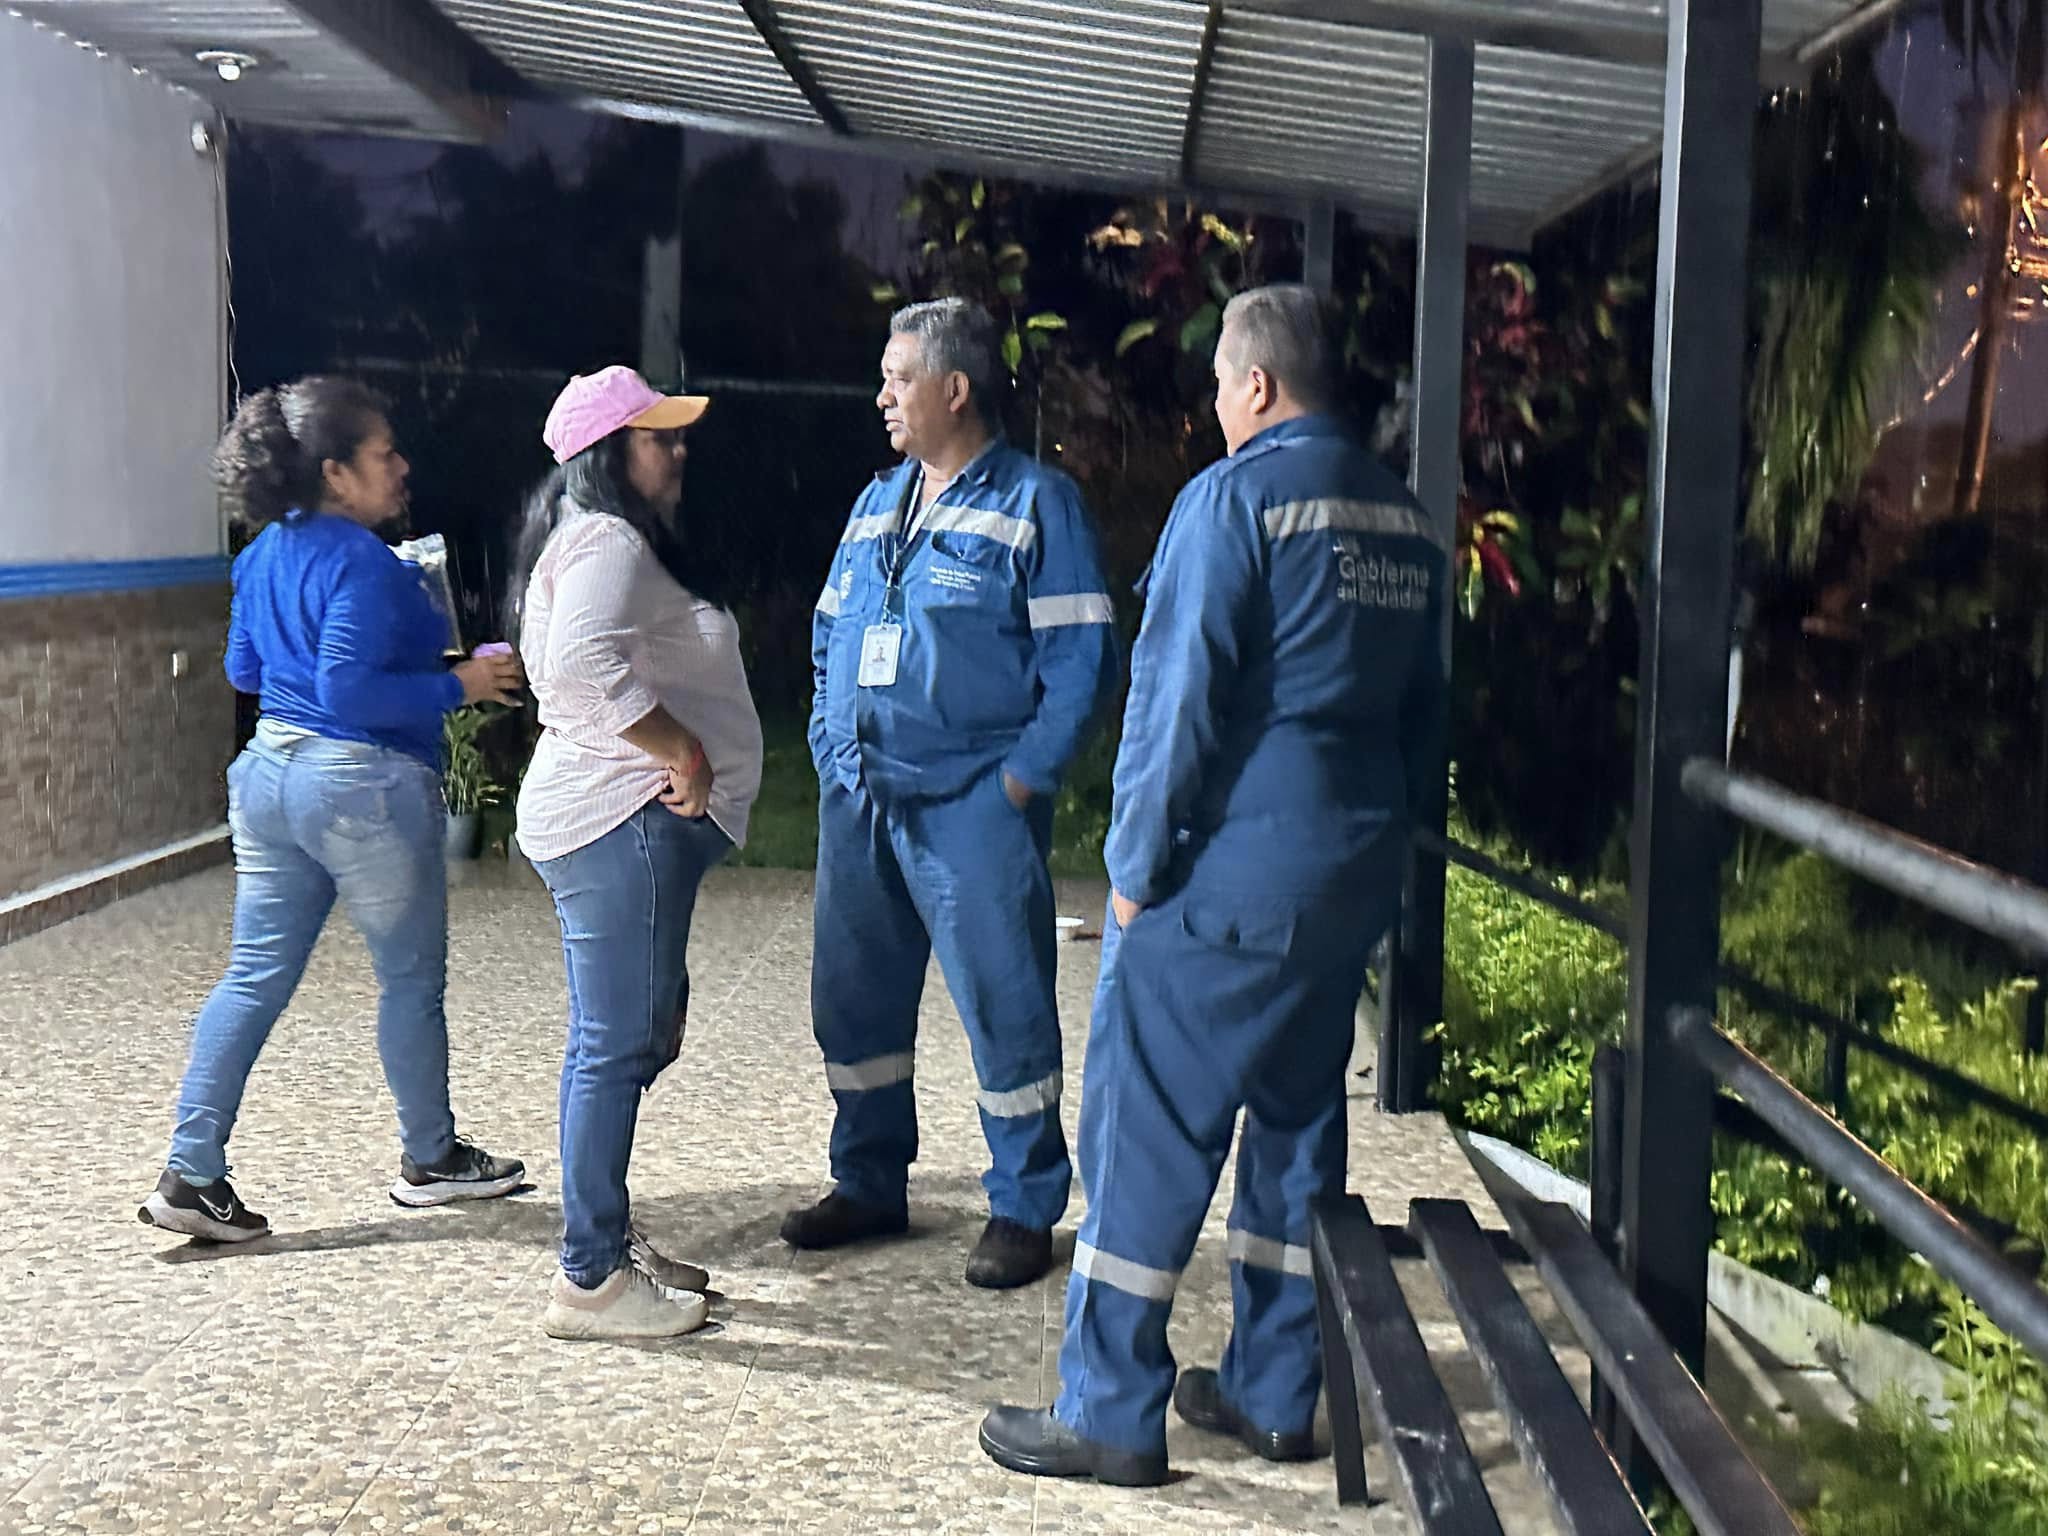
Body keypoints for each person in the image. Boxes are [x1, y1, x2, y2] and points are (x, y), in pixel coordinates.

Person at [979, 285, 1449, 1484]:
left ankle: (1107, 1409)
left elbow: (1174, 702)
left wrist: (1132, 873)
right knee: (1295, 1131)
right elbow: (1423, 717)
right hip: (1345, 878)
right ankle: (1275, 1391)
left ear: (1256, 384)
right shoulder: (1405, 523)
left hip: (1231, 874)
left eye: (1218, 385)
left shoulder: (1232, 502)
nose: (1214, 407)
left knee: (1143, 1133)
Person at [140, 378, 527, 1244]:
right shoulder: (365, 563)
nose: (403, 467)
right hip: (361, 786)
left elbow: (245, 672)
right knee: (409, 980)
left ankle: (191, 1172)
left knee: (253, 976)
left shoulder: (261, 554)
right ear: (335, 473)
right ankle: (431, 1157)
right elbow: (348, 691)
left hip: (269, 775)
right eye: (384, 454)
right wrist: (462, 684)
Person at [787, 298, 1120, 1289]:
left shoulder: (1037, 504)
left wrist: (1017, 782)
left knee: (1004, 1006)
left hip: (972, 803)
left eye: (899, 378)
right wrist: (828, 742)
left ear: (955, 389)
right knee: (851, 1006)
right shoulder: (873, 502)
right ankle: (867, 1182)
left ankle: (1023, 1206)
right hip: (861, 798)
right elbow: (827, 637)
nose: (882, 397)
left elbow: (1083, 664)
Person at [510, 366, 764, 1341]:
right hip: (622, 823)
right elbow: (578, 666)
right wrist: (681, 749)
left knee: (641, 1034)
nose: (679, 449)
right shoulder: (607, 539)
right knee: (615, 1044)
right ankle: (591, 1278)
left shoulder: (602, 538)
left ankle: (605, 1234)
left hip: (629, 828)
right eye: (659, 437)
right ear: (610, 454)